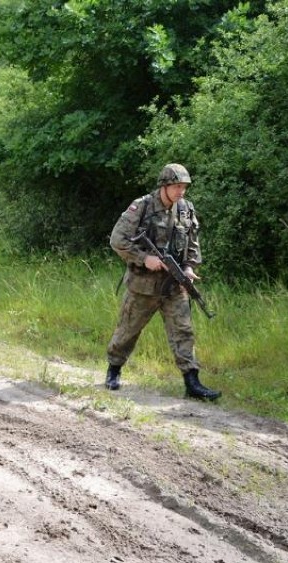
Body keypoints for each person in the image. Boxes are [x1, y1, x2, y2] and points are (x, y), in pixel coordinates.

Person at [104, 163, 220, 401]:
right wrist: (144, 258)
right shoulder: (142, 206)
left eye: (184, 187)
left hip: (174, 286)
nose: (181, 192)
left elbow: (193, 244)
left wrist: (188, 268)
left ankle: (192, 382)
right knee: (128, 330)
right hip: (143, 286)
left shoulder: (186, 209)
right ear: (164, 186)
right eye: (177, 186)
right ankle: (113, 370)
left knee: (183, 331)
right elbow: (117, 239)